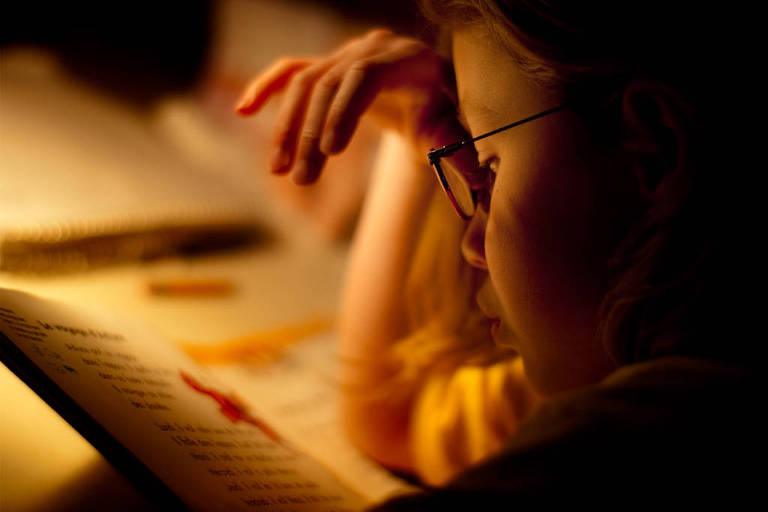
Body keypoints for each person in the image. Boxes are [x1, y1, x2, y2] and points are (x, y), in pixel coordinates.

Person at [236, 0, 759, 505]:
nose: (471, 242)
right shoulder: (598, 369)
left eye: (488, 166)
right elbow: (395, 418)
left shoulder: (639, 440)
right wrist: (412, 137)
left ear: (655, 151)